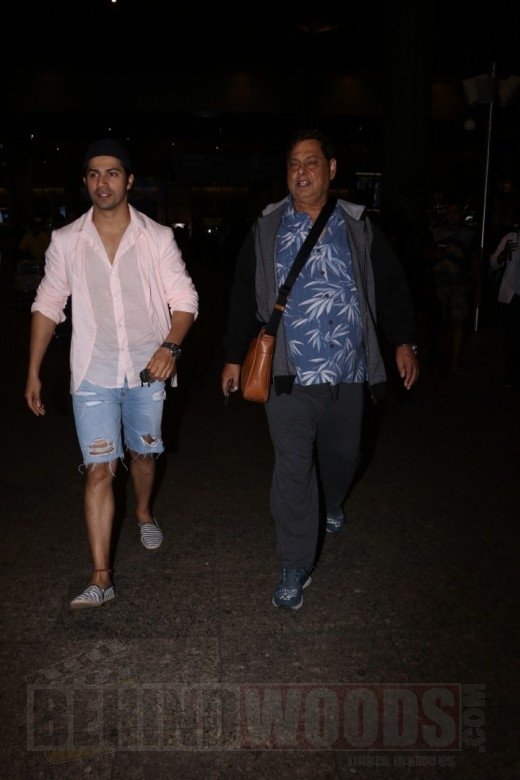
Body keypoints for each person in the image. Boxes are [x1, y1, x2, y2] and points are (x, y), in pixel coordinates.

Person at [220, 128, 419, 611]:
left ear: (331, 169)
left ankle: (332, 500)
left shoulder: (358, 225)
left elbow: (392, 286)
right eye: (293, 164)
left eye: (311, 162)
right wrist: (231, 356)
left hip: (348, 371)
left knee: (345, 454)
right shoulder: (266, 227)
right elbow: (243, 292)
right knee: (292, 468)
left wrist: (403, 342)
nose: (301, 172)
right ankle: (294, 565)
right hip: (286, 374)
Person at [25, 138, 198, 609]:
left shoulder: (156, 237)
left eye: (113, 173)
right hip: (93, 373)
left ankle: (143, 512)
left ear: (129, 180)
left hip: (148, 369)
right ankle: (101, 577)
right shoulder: (66, 241)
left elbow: (184, 298)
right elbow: (48, 303)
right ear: (86, 182)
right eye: (94, 174)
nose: (103, 182)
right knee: (100, 469)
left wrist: (170, 346)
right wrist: (33, 371)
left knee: (143, 456)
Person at [423, 201, 480, 373]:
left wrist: (478, 288)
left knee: (457, 320)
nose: (452, 216)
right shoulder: (435, 232)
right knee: (435, 321)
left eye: (455, 213)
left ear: (460, 215)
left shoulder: (469, 234)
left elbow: (475, 262)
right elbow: (425, 255)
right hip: (437, 283)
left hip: (459, 283)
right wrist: (436, 255)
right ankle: (434, 357)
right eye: (449, 212)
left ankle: (454, 362)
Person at [489, 217, 520, 391]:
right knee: (512, 337)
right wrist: (505, 252)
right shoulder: (510, 238)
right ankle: (511, 376)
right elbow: (493, 263)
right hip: (512, 295)